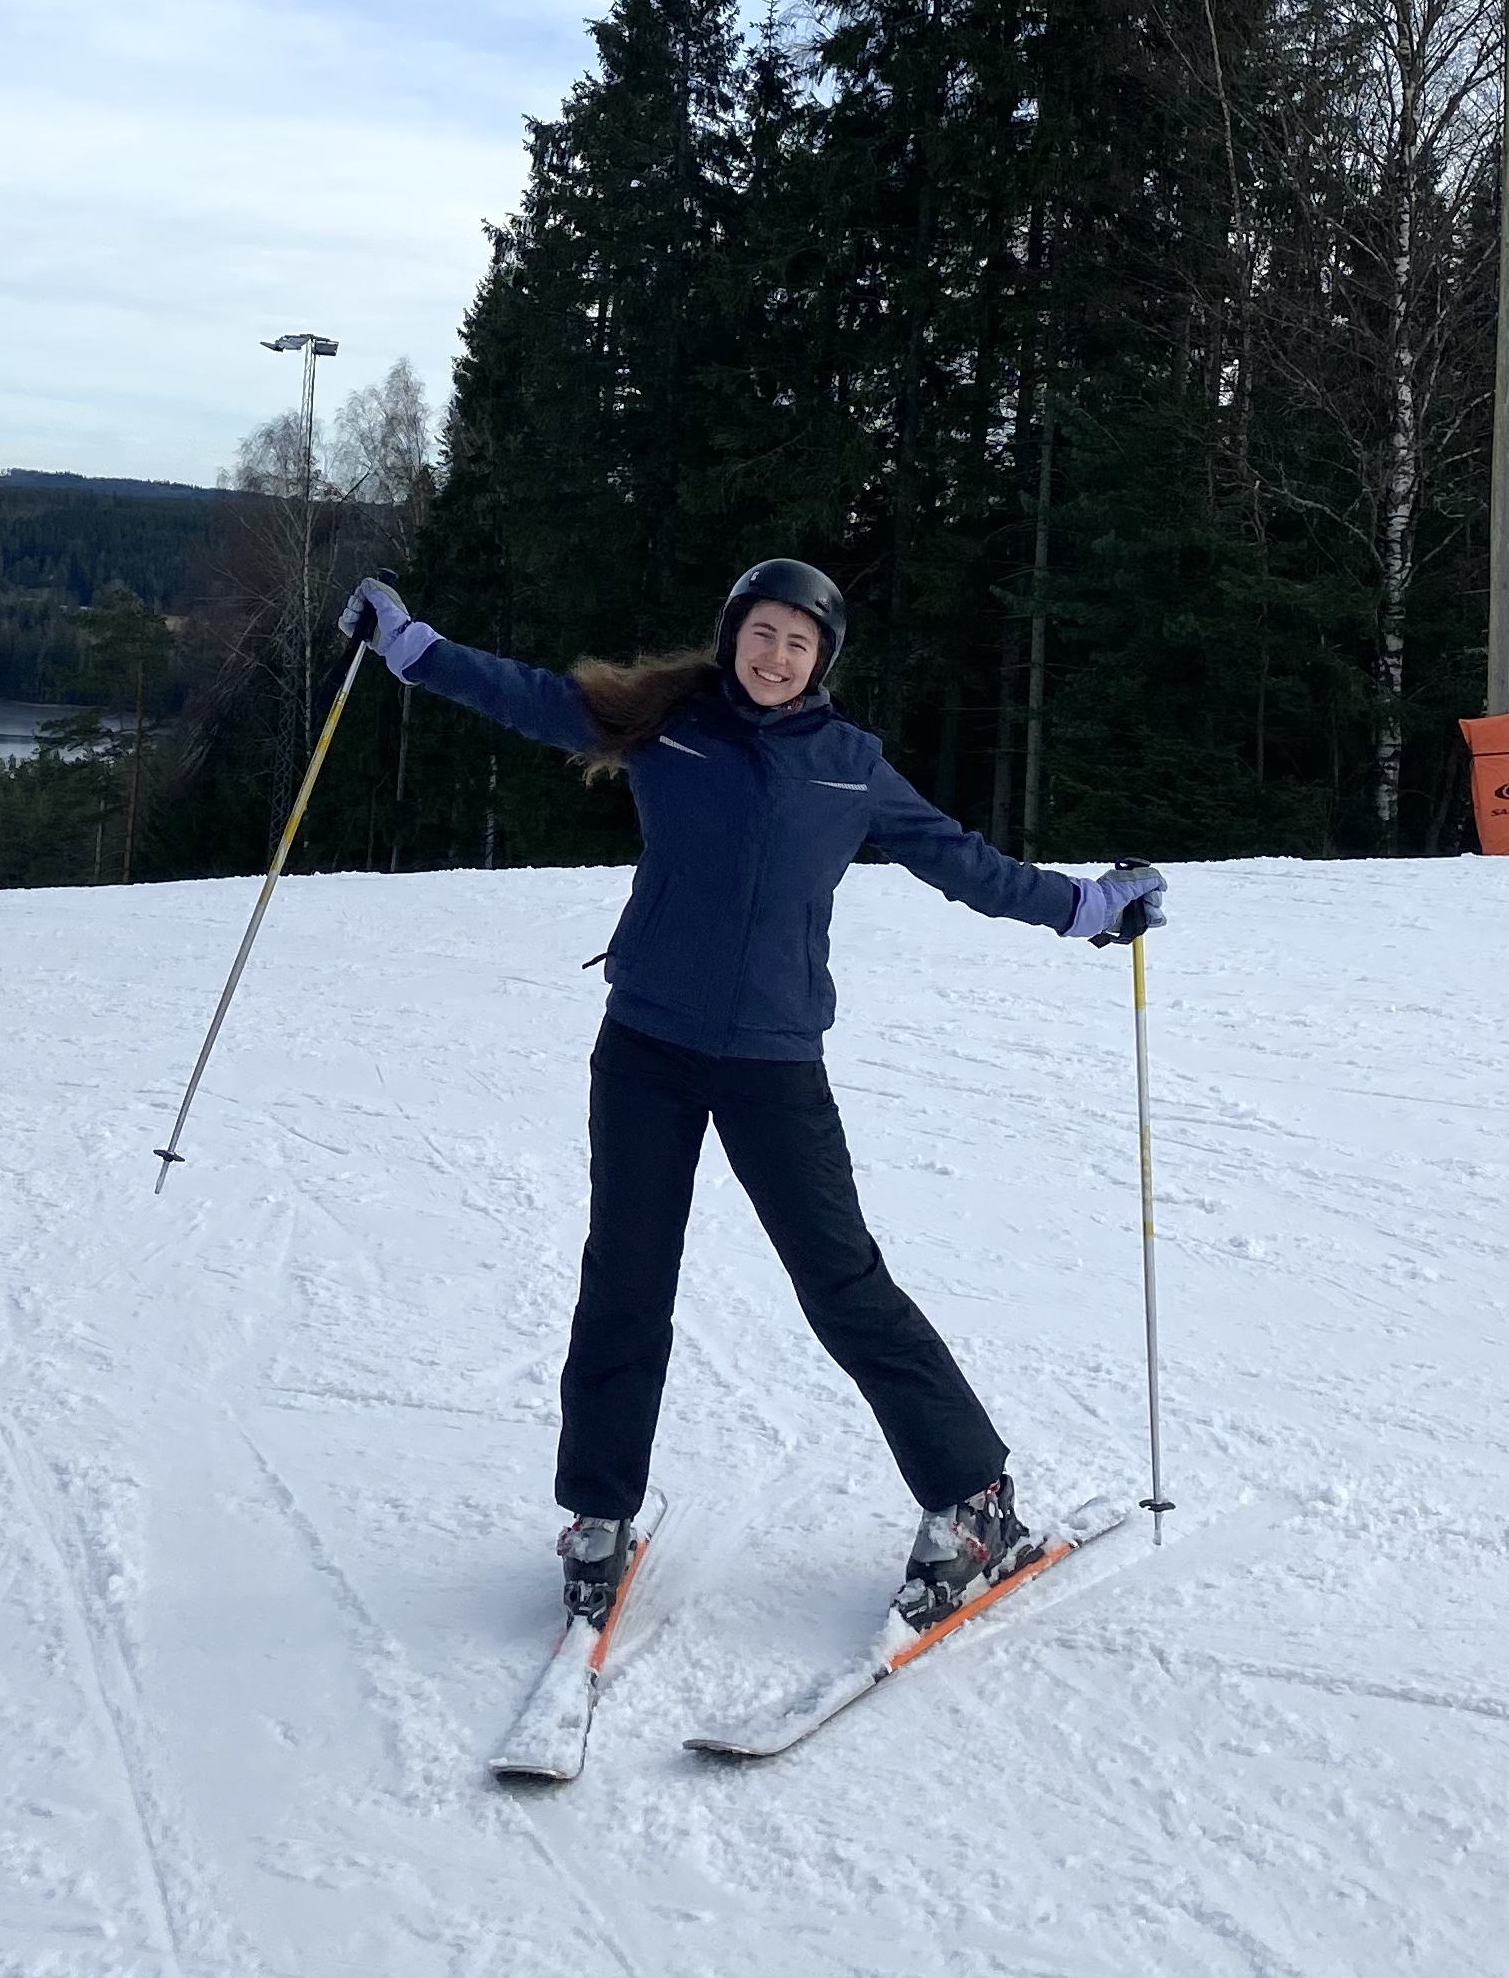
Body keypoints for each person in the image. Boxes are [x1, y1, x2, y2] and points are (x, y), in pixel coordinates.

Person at [337, 561, 1167, 1634]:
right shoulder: (666, 724)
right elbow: (527, 695)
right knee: (625, 1279)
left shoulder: (850, 768)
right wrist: (410, 648)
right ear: (732, 635)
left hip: (774, 1064)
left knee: (842, 1281)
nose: (776, 657)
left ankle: (975, 1500)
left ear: (821, 662)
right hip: (645, 1049)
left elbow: (965, 864)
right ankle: (599, 1515)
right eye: (762, 633)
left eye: (799, 643)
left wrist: (1085, 908)